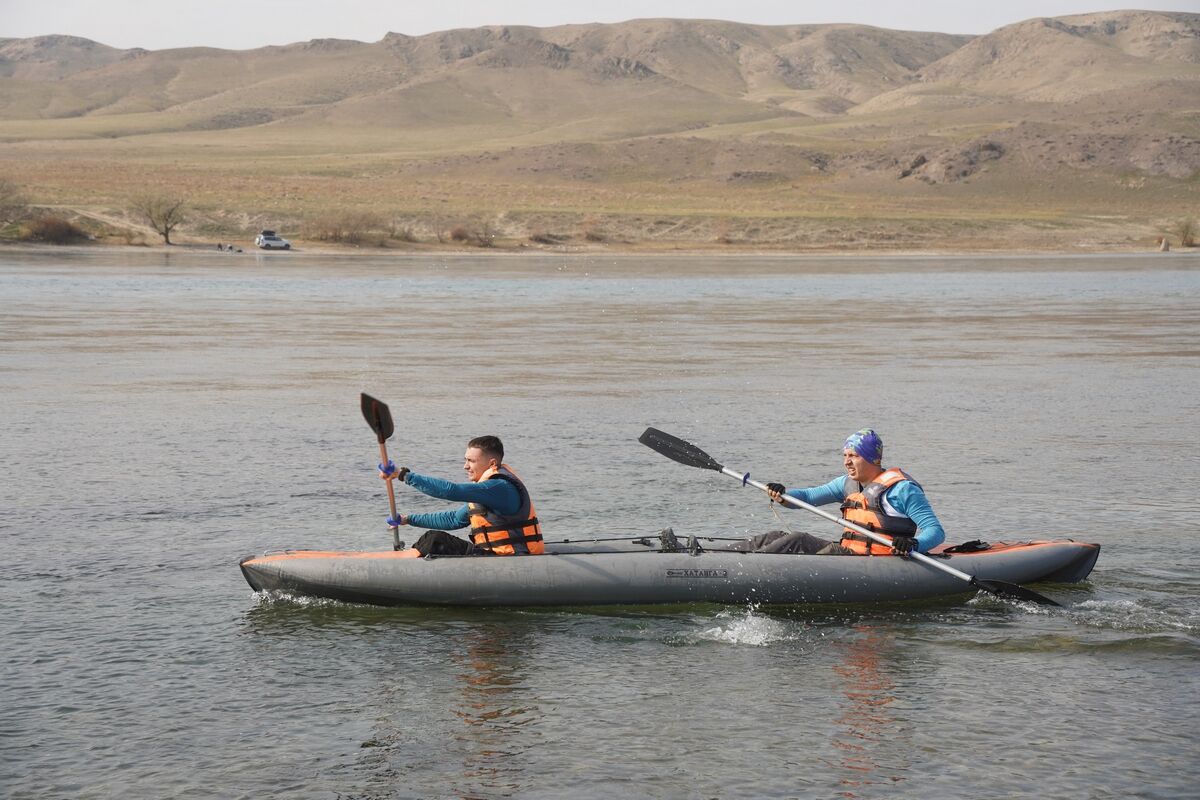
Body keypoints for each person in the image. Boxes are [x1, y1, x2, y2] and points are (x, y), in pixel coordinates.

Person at [734, 428, 945, 556]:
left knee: (798, 540)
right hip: (849, 554)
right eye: (845, 455)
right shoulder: (846, 484)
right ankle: (715, 557)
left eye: (853, 456)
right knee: (775, 536)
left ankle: (740, 570)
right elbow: (807, 497)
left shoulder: (902, 489)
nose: (847, 462)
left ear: (874, 459)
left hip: (878, 561)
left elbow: (935, 531)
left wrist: (913, 544)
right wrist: (783, 495)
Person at [378, 435, 543, 557]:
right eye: (466, 460)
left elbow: (451, 491)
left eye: (471, 461)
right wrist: (407, 519)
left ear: (492, 463)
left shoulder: (499, 488)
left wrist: (403, 475)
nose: (465, 466)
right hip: (494, 555)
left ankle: (398, 563)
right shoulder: (487, 491)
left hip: (513, 559)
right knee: (434, 538)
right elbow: (454, 519)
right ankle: (400, 560)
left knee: (435, 539)